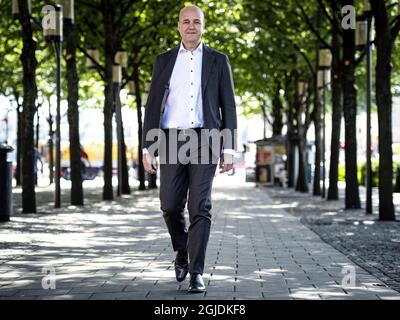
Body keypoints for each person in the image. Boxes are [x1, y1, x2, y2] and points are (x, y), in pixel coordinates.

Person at [142, 5, 237, 293]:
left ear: (203, 26)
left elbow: (228, 106)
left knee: (200, 207)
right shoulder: (164, 61)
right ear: (178, 26)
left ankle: (196, 271)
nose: (191, 26)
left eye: (197, 21)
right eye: (186, 21)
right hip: (171, 139)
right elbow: (152, 105)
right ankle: (182, 249)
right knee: (170, 205)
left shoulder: (218, 61)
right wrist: (149, 146)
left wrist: (229, 148)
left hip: (205, 138)